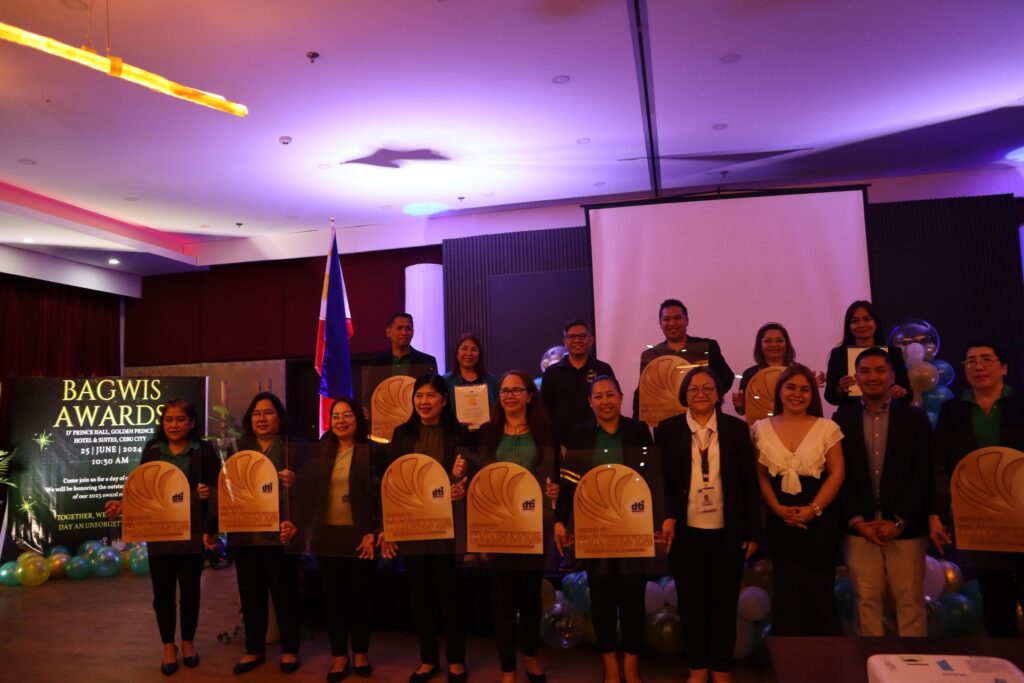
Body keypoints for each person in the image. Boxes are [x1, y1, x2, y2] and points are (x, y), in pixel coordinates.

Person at [655, 368, 760, 683]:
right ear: (684, 395)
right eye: (693, 389)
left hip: (727, 532)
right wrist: (667, 515)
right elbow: (660, 482)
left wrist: (753, 530)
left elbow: (748, 483)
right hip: (686, 533)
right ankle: (698, 667)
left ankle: (722, 669)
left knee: (725, 604)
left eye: (707, 388)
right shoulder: (668, 430)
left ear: (718, 393)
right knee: (691, 604)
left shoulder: (736, 430)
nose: (700, 393)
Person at [105, 398, 220, 675]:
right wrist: (123, 506)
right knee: (163, 594)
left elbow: (219, 490)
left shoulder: (203, 450)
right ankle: (169, 645)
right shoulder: (153, 450)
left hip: (191, 533)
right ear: (163, 423)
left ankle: (188, 642)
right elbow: (143, 489)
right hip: (159, 532)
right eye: (169, 419)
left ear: (192, 422)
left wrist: (209, 506)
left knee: (191, 592)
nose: (174, 425)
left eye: (180, 419)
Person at [560, 376, 655, 683]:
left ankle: (630, 664)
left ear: (621, 397)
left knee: (632, 599)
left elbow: (652, 476)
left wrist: (659, 518)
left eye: (610, 395)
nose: (605, 401)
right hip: (594, 529)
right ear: (590, 402)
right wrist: (562, 520)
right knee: (601, 599)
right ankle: (610, 666)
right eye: (598, 396)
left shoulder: (638, 430)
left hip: (633, 527)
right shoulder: (579, 435)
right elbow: (569, 482)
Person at [835, 348, 934, 637]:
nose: (872, 377)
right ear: (856, 377)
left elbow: (922, 474)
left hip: (906, 527)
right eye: (865, 371)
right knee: (866, 603)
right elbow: (840, 477)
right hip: (860, 527)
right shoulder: (841, 420)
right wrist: (857, 521)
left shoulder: (915, 419)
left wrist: (899, 521)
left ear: (892, 375)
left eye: (880, 370)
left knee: (910, 602)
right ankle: (873, 671)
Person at [281, 397, 380, 681]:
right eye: (335, 416)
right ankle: (339, 656)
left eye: (347, 415)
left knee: (362, 598)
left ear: (358, 420)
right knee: (333, 598)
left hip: (361, 537)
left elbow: (380, 498)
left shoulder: (370, 451)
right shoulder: (321, 452)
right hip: (328, 536)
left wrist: (374, 531)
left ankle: (361, 652)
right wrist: (295, 522)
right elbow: (309, 496)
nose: (340, 420)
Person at [932, 341, 1024, 638]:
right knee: (995, 599)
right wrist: (942, 507)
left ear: (1004, 367)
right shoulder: (952, 410)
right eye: (971, 362)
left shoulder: (1021, 405)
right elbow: (941, 464)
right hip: (981, 520)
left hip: (1022, 515)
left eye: (986, 359)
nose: (979, 366)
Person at [387, 374, 471, 683]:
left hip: (448, 527)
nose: (424, 401)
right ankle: (427, 659)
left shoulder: (459, 433)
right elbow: (393, 480)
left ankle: (457, 660)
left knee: (450, 595)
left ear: (444, 400)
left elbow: (470, 475)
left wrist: (463, 482)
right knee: (420, 596)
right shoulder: (403, 433)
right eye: (419, 396)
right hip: (413, 525)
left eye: (431, 396)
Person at [478, 371, 559, 683]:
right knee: (501, 601)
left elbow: (551, 477)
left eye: (516, 390)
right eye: (504, 391)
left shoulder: (545, 434)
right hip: (498, 527)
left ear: (529, 395)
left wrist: (555, 492)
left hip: (533, 526)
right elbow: (482, 477)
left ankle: (530, 656)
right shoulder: (488, 432)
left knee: (529, 598)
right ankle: (507, 667)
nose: (509, 395)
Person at [752, 364, 846, 635]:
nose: (797, 394)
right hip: (779, 519)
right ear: (780, 391)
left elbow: (837, 473)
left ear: (812, 394)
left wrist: (813, 509)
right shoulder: (760, 428)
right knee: (786, 589)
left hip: (821, 518)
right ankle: (788, 663)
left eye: (805, 389)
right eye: (791, 387)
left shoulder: (827, 427)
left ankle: (826, 663)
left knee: (820, 590)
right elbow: (759, 476)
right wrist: (778, 509)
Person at [231, 392, 302, 675]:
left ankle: (290, 650)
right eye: (256, 413)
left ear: (279, 417)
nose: (262, 418)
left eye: (268, 412)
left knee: (285, 595)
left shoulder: (294, 448)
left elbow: (314, 491)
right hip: (247, 535)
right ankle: (254, 650)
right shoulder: (239, 448)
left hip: (281, 534)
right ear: (250, 419)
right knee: (250, 595)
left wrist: (296, 481)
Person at [633, 299, 733, 417]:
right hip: (668, 422)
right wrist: (637, 424)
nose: (672, 323)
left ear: (687, 320)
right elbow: (644, 392)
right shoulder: (652, 355)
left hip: (705, 417)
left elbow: (727, 377)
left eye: (677, 318)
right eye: (666, 319)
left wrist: (709, 396)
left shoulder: (707, 346)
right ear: (660, 323)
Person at [541, 319, 614, 444]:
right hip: (561, 443)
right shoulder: (552, 373)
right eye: (571, 337)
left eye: (582, 336)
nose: (577, 340)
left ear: (591, 340)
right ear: (565, 341)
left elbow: (613, 402)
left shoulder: (603, 369)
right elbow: (544, 410)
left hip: (597, 440)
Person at [824, 301, 909, 407]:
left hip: (889, 414)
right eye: (855, 321)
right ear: (849, 326)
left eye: (867, 319)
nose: (862, 325)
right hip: (850, 417)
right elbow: (830, 397)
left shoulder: (893, 353)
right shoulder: (838, 355)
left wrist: (901, 392)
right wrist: (841, 389)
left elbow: (908, 395)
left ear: (876, 323)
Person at [731, 322, 823, 415]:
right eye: (768, 341)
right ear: (760, 345)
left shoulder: (799, 372)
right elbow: (744, 410)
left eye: (779, 340)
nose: (774, 345)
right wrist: (740, 405)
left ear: (786, 343)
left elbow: (810, 407)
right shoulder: (750, 374)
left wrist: (811, 387)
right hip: (760, 427)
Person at [443, 333, 500, 424]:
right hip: (455, 435)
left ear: (479, 355)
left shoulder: (491, 380)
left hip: (487, 433)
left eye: (474, 350)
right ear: (457, 354)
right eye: (464, 349)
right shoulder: (446, 380)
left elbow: (498, 409)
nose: (469, 353)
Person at [367, 312, 438, 374]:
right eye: (399, 328)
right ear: (388, 332)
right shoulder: (376, 362)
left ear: (413, 332)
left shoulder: (427, 362)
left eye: (408, 329)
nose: (404, 333)